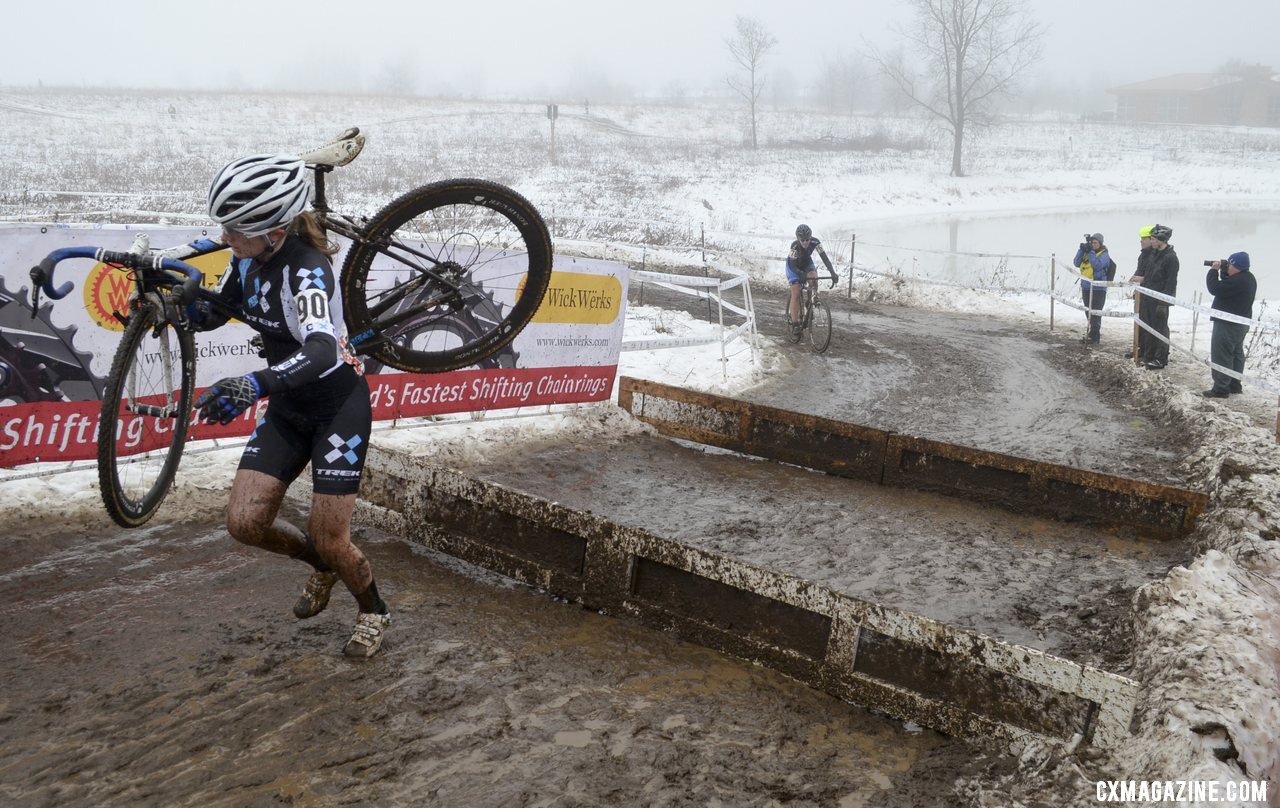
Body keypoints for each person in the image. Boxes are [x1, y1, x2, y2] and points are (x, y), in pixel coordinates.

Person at [189, 153, 390, 658]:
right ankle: (320, 569)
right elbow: (219, 312)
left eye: (236, 228)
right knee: (245, 524)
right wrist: (178, 303)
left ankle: (373, 610)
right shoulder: (248, 257)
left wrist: (252, 384)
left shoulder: (307, 270)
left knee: (332, 537)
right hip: (288, 409)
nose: (226, 236)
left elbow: (322, 350)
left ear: (274, 229)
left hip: (336, 408)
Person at [1203, 252, 1257, 398]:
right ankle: (1234, 384)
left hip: (1227, 324)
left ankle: (1220, 388)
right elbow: (1227, 285)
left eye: (1230, 265)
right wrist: (1223, 271)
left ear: (1237, 266)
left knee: (1222, 354)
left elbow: (1215, 288)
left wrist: (1213, 270)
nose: (1229, 267)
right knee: (1236, 353)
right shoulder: (1248, 278)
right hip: (1240, 323)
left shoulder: (1238, 281)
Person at [1139, 224, 1178, 370]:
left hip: (1160, 300)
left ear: (1162, 240)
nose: (1152, 241)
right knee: (1148, 328)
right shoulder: (1154, 255)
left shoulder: (1171, 258)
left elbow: (1171, 282)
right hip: (1148, 296)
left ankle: (1161, 358)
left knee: (1160, 328)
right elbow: (1148, 276)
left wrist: (1164, 302)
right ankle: (1148, 356)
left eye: (1154, 239)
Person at [785, 224, 837, 334]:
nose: (805, 242)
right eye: (802, 240)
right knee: (796, 292)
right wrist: (801, 274)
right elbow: (793, 266)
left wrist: (832, 272)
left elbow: (825, 258)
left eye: (807, 239)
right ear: (798, 239)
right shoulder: (794, 246)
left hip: (806, 263)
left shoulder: (815, 242)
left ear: (810, 237)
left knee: (814, 278)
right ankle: (795, 324)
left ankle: (809, 301)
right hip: (793, 266)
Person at [1073, 233, 1113, 344]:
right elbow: (1076, 263)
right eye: (1091, 243)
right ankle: (1092, 334)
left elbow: (1097, 265)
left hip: (1098, 288)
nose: (1093, 245)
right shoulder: (1087, 252)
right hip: (1086, 286)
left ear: (1100, 243)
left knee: (1096, 313)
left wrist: (1090, 251)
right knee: (1088, 312)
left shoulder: (1104, 255)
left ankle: (1095, 337)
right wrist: (1081, 250)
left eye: (1095, 243)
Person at [1127, 225, 1157, 361]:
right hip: (1141, 294)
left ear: (1151, 239)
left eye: (1144, 239)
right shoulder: (1143, 255)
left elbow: (1153, 275)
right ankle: (1139, 349)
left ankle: (1148, 353)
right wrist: (1134, 277)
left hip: (1150, 295)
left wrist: (1142, 279)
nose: (1141, 241)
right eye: (1141, 239)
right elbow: (1140, 270)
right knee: (1140, 323)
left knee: (1149, 325)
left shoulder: (1153, 255)